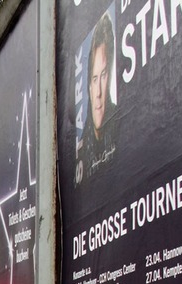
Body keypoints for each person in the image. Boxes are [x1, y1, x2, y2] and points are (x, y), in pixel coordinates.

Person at [77, 11, 116, 183]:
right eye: (94, 79)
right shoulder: (81, 150)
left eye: (104, 75)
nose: (99, 91)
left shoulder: (120, 128)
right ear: (88, 86)